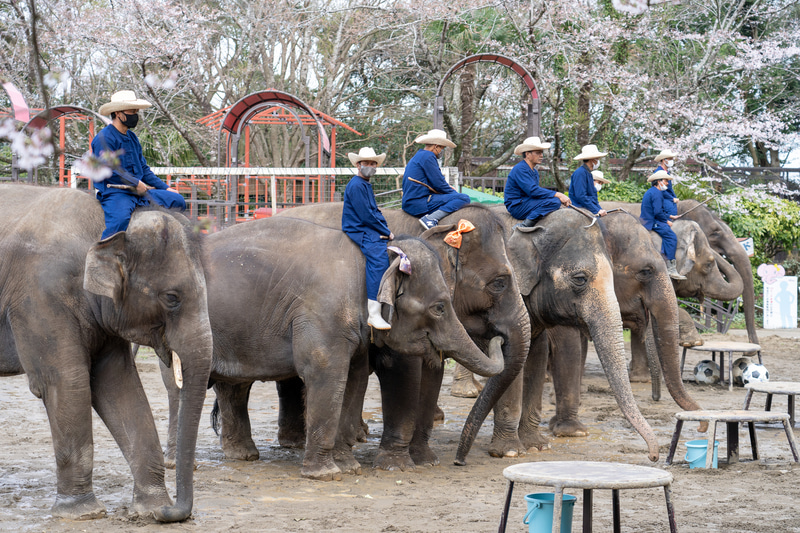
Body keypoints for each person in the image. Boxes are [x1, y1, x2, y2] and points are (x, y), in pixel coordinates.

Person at [92, 90, 186, 240]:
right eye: (132, 111)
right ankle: (104, 256)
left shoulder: (132, 137)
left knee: (178, 201)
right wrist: (135, 182)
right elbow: (110, 170)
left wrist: (166, 188)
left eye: (136, 111)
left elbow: (143, 169)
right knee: (119, 222)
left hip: (140, 192)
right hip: (116, 193)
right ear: (118, 113)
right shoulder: (104, 138)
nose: (136, 114)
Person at [342, 147, 394, 330]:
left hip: (366, 225)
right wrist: (386, 232)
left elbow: (374, 211)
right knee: (379, 259)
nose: (370, 166)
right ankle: (374, 313)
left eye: (373, 164)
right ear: (358, 165)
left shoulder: (364, 184)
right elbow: (365, 215)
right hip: (358, 228)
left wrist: (385, 228)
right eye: (367, 163)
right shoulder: (356, 185)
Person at [402, 129, 470, 229]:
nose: (441, 151)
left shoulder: (419, 156)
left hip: (411, 201)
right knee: (463, 198)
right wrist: (454, 194)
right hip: (419, 202)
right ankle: (430, 219)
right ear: (436, 146)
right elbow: (439, 183)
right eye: (442, 148)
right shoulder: (428, 156)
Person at [504, 136, 570, 227]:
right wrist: (558, 194)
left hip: (527, 201)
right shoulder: (520, 169)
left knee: (555, 200)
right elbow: (533, 191)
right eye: (538, 153)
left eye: (541, 153)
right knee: (554, 202)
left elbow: (536, 192)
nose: (541, 155)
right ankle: (525, 225)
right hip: (517, 206)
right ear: (527, 154)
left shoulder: (534, 171)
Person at [641, 170, 686, 280]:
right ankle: (671, 269)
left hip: (651, 219)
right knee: (671, 237)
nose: (667, 183)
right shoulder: (657, 194)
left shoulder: (653, 191)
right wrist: (666, 221)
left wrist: (671, 217)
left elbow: (658, 211)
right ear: (659, 181)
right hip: (651, 222)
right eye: (665, 180)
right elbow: (657, 212)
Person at [568, 144, 608, 217]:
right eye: (597, 159)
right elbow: (581, 196)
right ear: (592, 160)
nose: (598, 161)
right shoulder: (580, 173)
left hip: (585, 207)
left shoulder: (588, 173)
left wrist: (599, 209)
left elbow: (592, 196)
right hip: (578, 208)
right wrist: (596, 210)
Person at [654, 148, 679, 217]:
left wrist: (674, 196)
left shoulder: (667, 172)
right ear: (663, 160)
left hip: (668, 199)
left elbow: (669, 188)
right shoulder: (659, 172)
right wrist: (672, 198)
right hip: (662, 199)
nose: (672, 161)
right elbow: (661, 189)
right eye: (670, 159)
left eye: (672, 159)